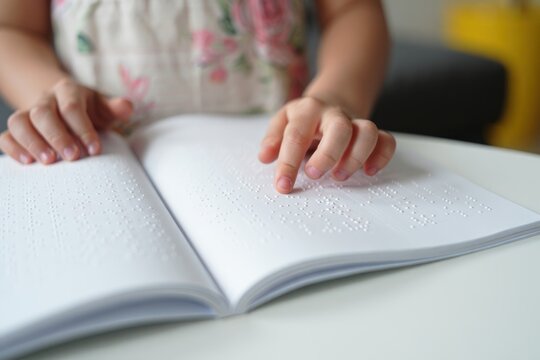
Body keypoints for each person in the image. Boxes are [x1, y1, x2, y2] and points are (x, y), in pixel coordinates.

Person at [0, 0, 395, 194]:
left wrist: (335, 95)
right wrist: (48, 94)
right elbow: (12, 28)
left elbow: (352, 10)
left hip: (285, 152)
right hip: (97, 159)